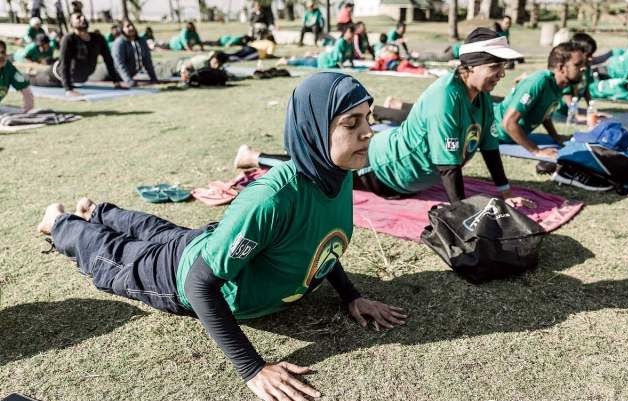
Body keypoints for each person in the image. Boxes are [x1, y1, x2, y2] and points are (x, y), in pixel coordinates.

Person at [37, 72, 406, 401]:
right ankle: (59, 222)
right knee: (114, 254)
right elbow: (200, 284)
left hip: (213, 243)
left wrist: (352, 296)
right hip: (178, 276)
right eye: (351, 122)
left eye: (368, 119)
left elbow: (321, 245)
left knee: (161, 232)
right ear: (313, 129)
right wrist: (252, 369)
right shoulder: (273, 198)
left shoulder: (337, 174)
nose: (368, 131)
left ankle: (99, 211)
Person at [239, 28, 534, 207]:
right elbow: (448, 168)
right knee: (315, 169)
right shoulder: (447, 97)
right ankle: (254, 156)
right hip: (381, 170)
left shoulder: (479, 96)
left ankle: (256, 155)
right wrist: (466, 212)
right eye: (496, 66)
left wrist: (504, 192)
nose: (502, 74)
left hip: (395, 157)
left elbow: (490, 146)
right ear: (472, 65)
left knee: (321, 165)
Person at [493, 42, 587, 159]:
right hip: (490, 129)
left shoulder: (559, 86)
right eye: (577, 65)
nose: (583, 68)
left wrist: (556, 136)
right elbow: (508, 123)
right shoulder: (539, 82)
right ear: (561, 67)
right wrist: (536, 151)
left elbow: (544, 114)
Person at [28, 12, 122, 97]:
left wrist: (116, 82)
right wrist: (68, 90)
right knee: (32, 80)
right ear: (71, 24)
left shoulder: (98, 38)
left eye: (83, 16)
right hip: (56, 74)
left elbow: (108, 60)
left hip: (76, 79)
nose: (82, 18)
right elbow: (64, 64)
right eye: (78, 17)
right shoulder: (68, 39)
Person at [89, 19, 157, 87]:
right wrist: (128, 80)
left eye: (132, 25)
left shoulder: (141, 41)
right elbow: (119, 64)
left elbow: (147, 61)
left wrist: (153, 78)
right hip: (105, 74)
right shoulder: (119, 43)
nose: (131, 28)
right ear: (122, 30)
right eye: (127, 26)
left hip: (123, 77)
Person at [281, 25, 355, 69]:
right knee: (303, 62)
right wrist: (343, 68)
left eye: (352, 33)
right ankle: (286, 61)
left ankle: (306, 55)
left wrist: (352, 65)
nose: (351, 35)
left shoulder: (351, 43)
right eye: (350, 33)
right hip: (323, 61)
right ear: (346, 33)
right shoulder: (341, 42)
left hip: (328, 60)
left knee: (306, 60)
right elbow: (338, 57)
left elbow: (351, 55)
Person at [0, 40, 34, 111]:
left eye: (2, 52)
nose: (1, 56)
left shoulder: (9, 68)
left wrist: (28, 112)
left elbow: (26, 90)